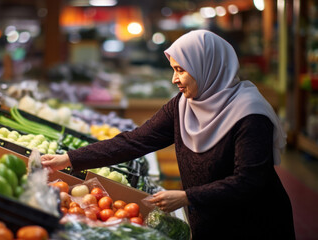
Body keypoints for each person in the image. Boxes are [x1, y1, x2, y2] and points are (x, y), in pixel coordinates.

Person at [41, 30, 295, 239]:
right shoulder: (184, 106)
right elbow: (134, 141)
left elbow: (249, 181)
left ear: (207, 67)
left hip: (254, 224)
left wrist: (188, 197)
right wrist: (69, 159)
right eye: (173, 69)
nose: (175, 79)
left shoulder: (250, 115)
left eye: (181, 70)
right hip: (210, 220)